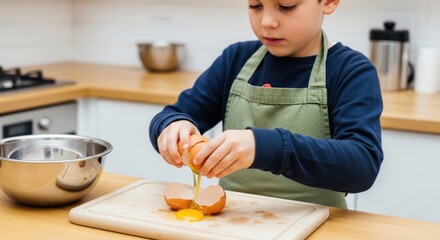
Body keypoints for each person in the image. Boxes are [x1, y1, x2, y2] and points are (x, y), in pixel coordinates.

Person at [149, 0, 383, 208]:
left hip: (321, 227)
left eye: (286, 6)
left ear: (329, 2)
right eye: (255, 6)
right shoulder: (235, 60)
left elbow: (362, 166)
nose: (267, 22)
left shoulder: (350, 71)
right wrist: (172, 126)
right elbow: (175, 113)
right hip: (233, 225)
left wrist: (264, 147)